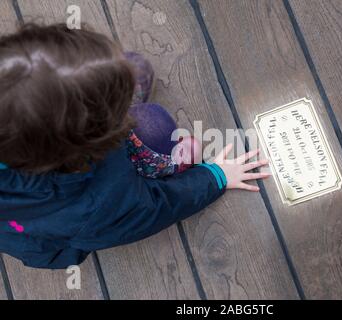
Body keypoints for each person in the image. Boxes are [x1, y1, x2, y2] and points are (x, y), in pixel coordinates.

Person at [0, 23, 270, 269]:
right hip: (68, 221)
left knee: (132, 68)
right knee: (156, 125)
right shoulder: (91, 209)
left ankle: (92, 90)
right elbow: (155, 208)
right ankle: (167, 158)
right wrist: (214, 177)